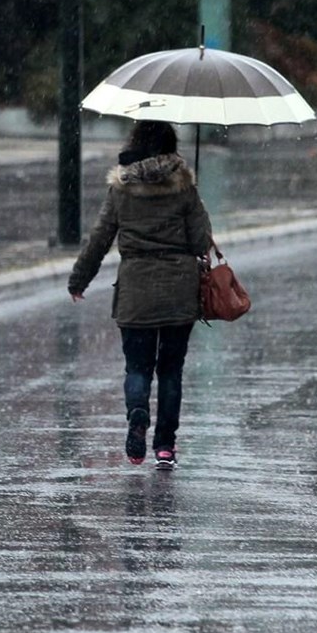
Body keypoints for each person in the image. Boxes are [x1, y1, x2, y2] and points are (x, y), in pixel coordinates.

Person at [68, 120, 213, 470]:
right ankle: (165, 447)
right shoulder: (184, 186)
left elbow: (99, 238)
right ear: (170, 146)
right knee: (171, 370)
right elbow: (199, 241)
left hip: (136, 289)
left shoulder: (122, 188)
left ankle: (137, 413)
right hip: (179, 289)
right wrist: (195, 199)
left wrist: (79, 280)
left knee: (137, 367)